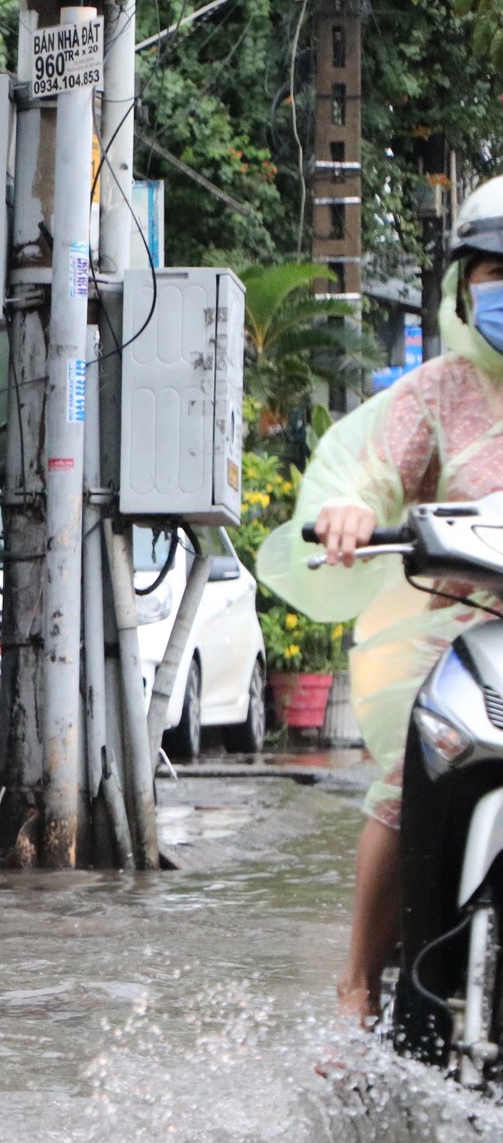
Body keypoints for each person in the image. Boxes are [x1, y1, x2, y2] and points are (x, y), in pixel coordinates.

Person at [259, 176, 503, 1025]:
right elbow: (371, 469)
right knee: (410, 778)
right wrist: (351, 509)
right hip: (469, 635)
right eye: (491, 272)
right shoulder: (436, 391)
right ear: (461, 284)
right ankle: (359, 983)